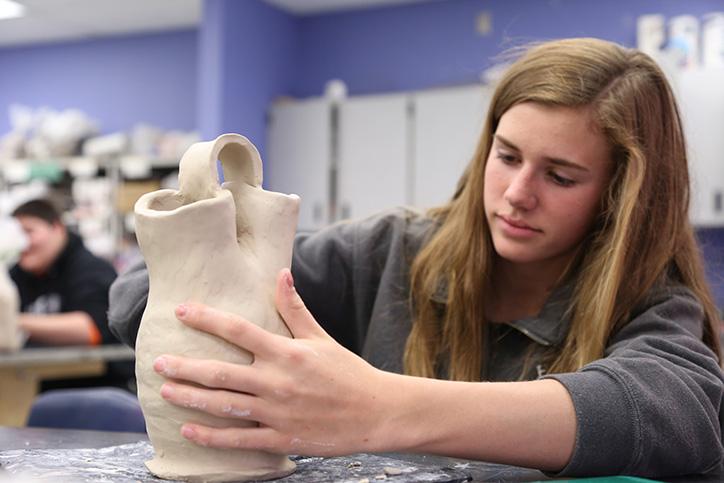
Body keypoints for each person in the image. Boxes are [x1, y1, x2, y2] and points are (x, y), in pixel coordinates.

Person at [108, 38, 723, 478]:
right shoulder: (388, 252)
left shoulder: (651, 300)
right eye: (506, 157)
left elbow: (676, 412)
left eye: (561, 177)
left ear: (621, 196)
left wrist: (382, 408)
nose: (516, 194)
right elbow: (135, 297)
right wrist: (217, 255)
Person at [10, 199, 118, 347]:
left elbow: (92, 329)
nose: (22, 243)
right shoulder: (18, 274)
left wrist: (13, 321)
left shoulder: (91, 269)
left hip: (91, 369)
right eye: (17, 235)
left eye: (29, 231)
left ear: (57, 228)